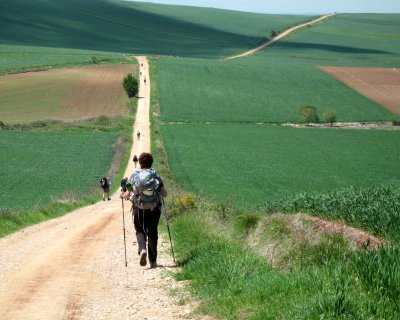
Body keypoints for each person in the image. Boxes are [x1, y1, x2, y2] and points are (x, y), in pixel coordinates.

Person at [123, 153, 167, 268]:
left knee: (139, 229)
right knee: (152, 232)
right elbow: (164, 194)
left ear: (140, 163)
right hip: (154, 208)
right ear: (151, 163)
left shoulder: (134, 176)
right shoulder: (155, 175)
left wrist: (123, 194)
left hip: (139, 208)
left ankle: (142, 249)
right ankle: (153, 261)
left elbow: (127, 195)